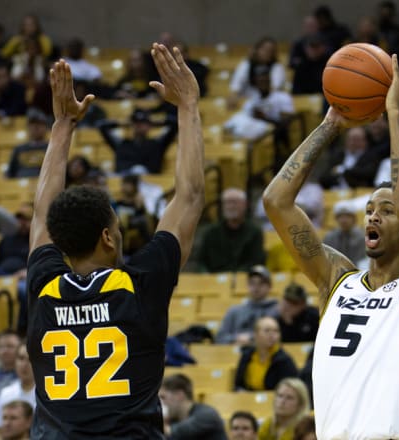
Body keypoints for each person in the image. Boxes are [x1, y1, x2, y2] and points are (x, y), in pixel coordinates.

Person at [263, 48, 399, 439]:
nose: (373, 215)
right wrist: (330, 124)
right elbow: (276, 201)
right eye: (369, 208)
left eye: (384, 211)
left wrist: (396, 113)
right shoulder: (336, 280)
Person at [25, 44, 204, 438]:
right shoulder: (139, 285)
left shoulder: (44, 287)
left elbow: (41, 216)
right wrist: (188, 106)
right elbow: (188, 198)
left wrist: (62, 126)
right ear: (108, 237)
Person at [196, 188, 266, 273]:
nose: (231, 206)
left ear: (245, 205)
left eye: (234, 202)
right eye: (227, 202)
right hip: (215, 281)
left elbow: (256, 262)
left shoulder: (255, 233)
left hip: (244, 280)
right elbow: (201, 263)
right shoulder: (211, 233)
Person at [97, 107, 178, 175]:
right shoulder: (121, 144)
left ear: (149, 125)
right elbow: (102, 126)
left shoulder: (157, 144)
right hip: (124, 181)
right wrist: (125, 123)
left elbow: (175, 124)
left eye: (143, 122)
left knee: (139, 169)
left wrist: (155, 122)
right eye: (136, 122)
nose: (139, 125)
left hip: (149, 182)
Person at [216, 265, 277, 345]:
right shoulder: (234, 311)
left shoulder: (276, 310)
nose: (256, 287)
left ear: (270, 286)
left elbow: (278, 337)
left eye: (261, 283)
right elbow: (220, 338)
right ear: (247, 285)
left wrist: (251, 338)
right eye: (252, 283)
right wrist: (236, 339)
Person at [234, 316, 298, 391]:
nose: (272, 335)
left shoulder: (284, 360)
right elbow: (238, 384)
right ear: (255, 334)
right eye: (267, 331)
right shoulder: (246, 356)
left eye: (276, 331)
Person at [159, 374, 227, 440]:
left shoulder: (207, 414)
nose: (161, 403)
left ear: (179, 395)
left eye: (163, 397)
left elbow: (176, 431)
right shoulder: (173, 420)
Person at [0, 343, 36, 430]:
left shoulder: (46, 394)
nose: (25, 364)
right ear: (15, 362)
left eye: (30, 359)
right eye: (21, 358)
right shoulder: (5, 393)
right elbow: (0, 431)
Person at [5, 109, 50, 178]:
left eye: (39, 123)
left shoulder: (51, 148)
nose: (36, 127)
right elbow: (10, 173)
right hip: (18, 186)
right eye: (32, 124)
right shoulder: (19, 149)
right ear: (28, 127)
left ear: (46, 127)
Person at [322, 201, 366, 266]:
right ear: (336, 219)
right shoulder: (330, 237)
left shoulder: (361, 237)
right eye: (341, 216)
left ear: (354, 219)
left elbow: (362, 261)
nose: (344, 220)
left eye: (348, 216)